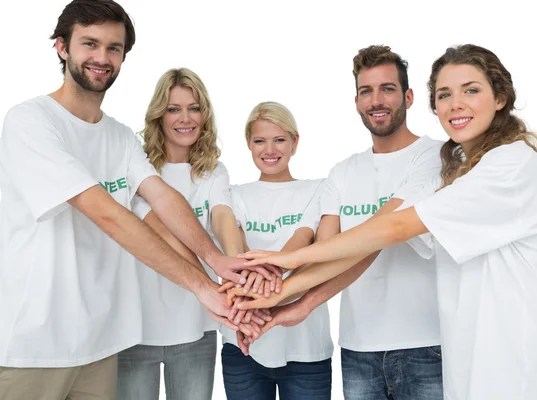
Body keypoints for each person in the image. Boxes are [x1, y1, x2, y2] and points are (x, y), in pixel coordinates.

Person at [236, 44, 537, 400]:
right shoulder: (458, 170)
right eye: (445, 94)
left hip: (515, 363)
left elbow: (391, 229)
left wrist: (287, 265)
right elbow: (364, 250)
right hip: (466, 360)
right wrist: (292, 301)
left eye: (471, 89)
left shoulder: (505, 165)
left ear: (500, 98)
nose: (456, 103)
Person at [0, 1, 271, 398]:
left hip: (101, 344)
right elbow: (108, 215)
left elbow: (162, 196)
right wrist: (204, 286)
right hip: (35, 345)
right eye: (90, 44)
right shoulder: (31, 122)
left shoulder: (120, 137)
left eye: (114, 48)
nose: (102, 57)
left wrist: (218, 262)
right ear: (62, 47)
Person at [230, 45, 444, 400]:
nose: (376, 100)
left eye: (387, 89)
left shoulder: (435, 157)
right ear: (357, 102)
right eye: (366, 91)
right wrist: (273, 310)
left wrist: (286, 263)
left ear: (408, 96)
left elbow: (383, 232)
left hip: (426, 345)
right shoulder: (342, 174)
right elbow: (326, 255)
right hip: (358, 351)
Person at [117, 68, 269, 399]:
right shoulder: (137, 166)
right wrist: (216, 279)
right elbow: (160, 233)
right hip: (135, 330)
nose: (185, 118)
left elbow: (222, 216)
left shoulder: (213, 170)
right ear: (159, 114)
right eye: (174, 109)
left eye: (194, 108)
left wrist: (235, 270)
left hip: (195, 330)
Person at [219, 102, 334, 399]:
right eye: (260, 140)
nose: (270, 149)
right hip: (244, 345)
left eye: (279, 139)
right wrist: (268, 274)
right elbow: (238, 249)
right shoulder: (235, 195)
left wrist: (271, 269)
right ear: (248, 144)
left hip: (306, 350)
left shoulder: (319, 189)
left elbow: (306, 237)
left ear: (295, 142)